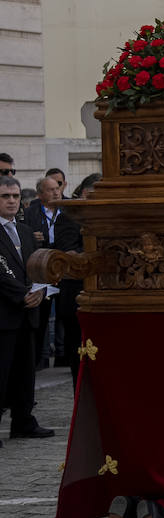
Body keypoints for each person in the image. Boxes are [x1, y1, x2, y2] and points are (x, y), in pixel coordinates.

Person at [0, 175, 52, 444]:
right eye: (5, 196)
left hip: (28, 314)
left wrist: (40, 289)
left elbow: (34, 266)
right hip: (5, 314)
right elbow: (1, 274)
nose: (11, 201)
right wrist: (22, 295)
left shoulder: (23, 230)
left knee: (25, 372)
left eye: (15, 196)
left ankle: (23, 421)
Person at [28, 175, 82, 381]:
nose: (55, 192)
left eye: (57, 187)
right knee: (43, 318)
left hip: (66, 273)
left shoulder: (68, 209)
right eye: (50, 189)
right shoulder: (34, 212)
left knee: (64, 322)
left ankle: (61, 356)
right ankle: (40, 359)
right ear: (40, 193)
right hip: (44, 265)